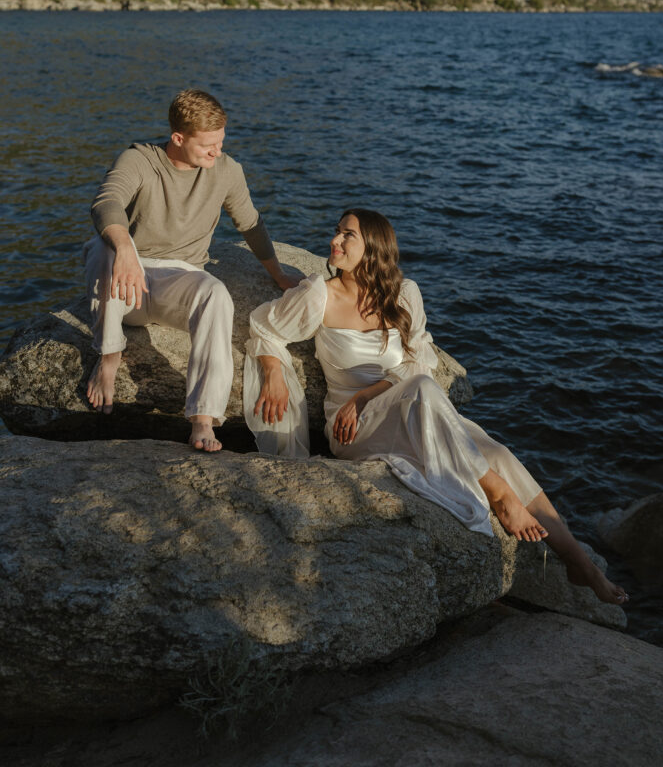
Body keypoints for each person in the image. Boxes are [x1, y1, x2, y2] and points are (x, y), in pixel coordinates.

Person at [243, 208, 628, 605]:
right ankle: (498, 494)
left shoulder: (404, 293)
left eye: (347, 236)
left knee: (498, 452)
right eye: (336, 232)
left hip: (407, 408)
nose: (334, 242)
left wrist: (365, 394)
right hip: (355, 429)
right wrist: (273, 370)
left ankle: (579, 561)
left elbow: (419, 362)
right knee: (427, 392)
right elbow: (264, 328)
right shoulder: (319, 294)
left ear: (373, 249)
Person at [84, 89, 299, 453]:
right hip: (124, 284)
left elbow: (251, 225)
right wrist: (125, 249)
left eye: (221, 142)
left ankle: (202, 418)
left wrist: (278, 274)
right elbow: (107, 202)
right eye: (207, 145)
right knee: (104, 247)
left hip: (176, 280)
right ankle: (109, 358)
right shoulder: (139, 160)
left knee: (215, 293)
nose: (217, 152)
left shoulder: (226, 171)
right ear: (178, 138)